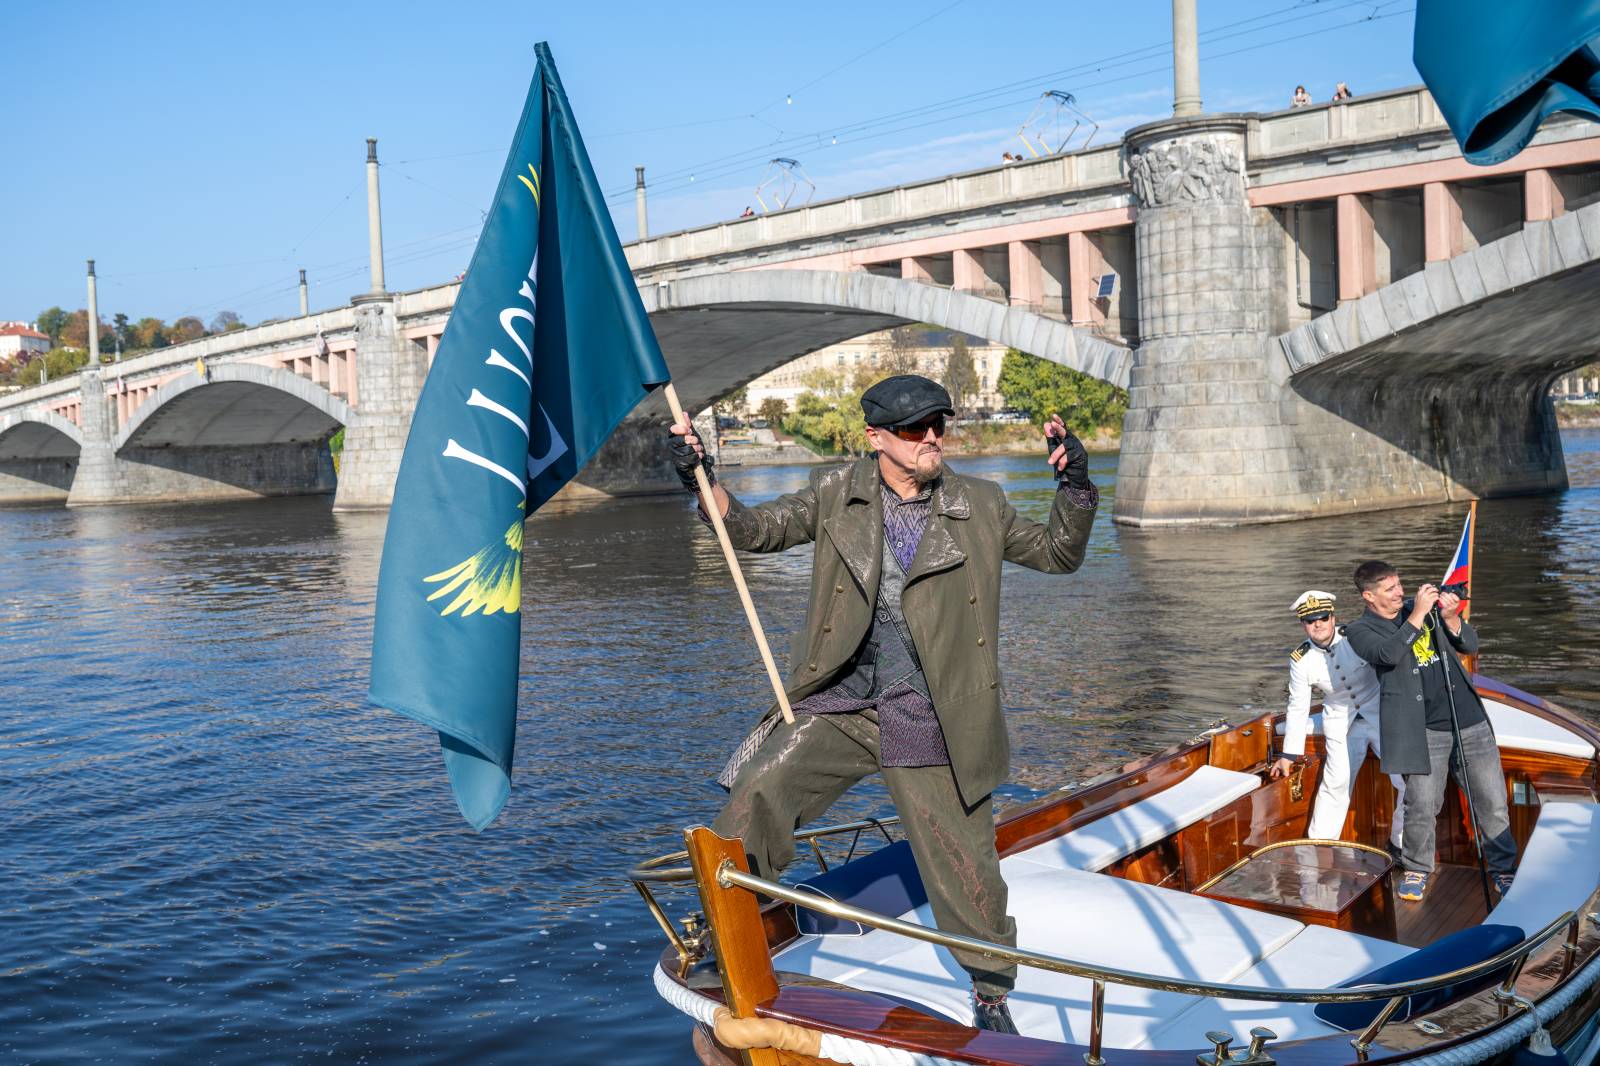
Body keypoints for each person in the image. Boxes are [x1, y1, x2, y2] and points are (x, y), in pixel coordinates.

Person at [667, 374, 1098, 1034]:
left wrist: (1074, 488)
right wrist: (703, 475)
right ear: (875, 438)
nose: (931, 437)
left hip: (933, 711)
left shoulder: (980, 503)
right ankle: (731, 938)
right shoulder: (838, 493)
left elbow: (1059, 554)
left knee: (963, 866)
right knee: (757, 794)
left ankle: (989, 991)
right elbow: (757, 531)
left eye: (938, 425)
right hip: (845, 700)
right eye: (913, 428)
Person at [1344, 561, 1516, 902]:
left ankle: (1504, 870)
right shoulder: (1361, 630)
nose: (1400, 592)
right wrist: (1418, 614)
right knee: (1421, 805)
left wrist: (1451, 617)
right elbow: (1388, 655)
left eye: (1399, 584)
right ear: (1368, 595)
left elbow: (1468, 644)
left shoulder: (1420, 610)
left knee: (1492, 802)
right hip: (1421, 730)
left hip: (1468, 720)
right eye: (1390, 589)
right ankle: (1417, 869)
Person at [1272, 590, 1405, 850]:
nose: (1317, 624)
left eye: (1322, 617)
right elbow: (1298, 706)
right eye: (1310, 621)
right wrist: (1289, 754)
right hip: (1340, 719)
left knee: (1406, 778)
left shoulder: (1355, 636)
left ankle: (1402, 844)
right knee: (1337, 780)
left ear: (1333, 618)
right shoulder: (1300, 659)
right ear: (1303, 625)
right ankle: (1319, 847)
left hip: (1380, 711)